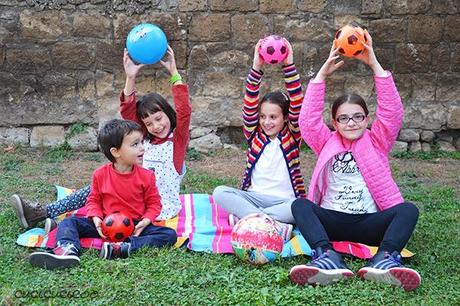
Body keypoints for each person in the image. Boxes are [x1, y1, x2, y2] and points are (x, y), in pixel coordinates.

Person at [288, 28, 421, 291]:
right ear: (335, 122)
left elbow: (392, 112)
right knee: (300, 206)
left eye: (358, 116)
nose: (351, 122)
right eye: (344, 118)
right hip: (332, 220)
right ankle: (327, 256)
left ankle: (384, 259)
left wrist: (374, 63)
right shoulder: (326, 141)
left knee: (409, 210)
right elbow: (307, 121)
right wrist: (322, 75)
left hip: (369, 223)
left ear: (367, 119)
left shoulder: (377, 140)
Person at [10, 45, 191, 230]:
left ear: (168, 114)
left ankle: (56, 223)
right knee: (98, 189)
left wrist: (174, 71)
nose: (156, 126)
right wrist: (130, 77)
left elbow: (184, 111)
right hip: (135, 195)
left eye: (159, 119)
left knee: (106, 198)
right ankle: (42, 214)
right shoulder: (145, 139)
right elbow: (128, 110)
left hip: (154, 208)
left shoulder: (177, 141)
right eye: (149, 123)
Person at [29, 119, 177, 269]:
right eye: (135, 144)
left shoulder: (147, 176)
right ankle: (67, 250)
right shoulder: (100, 175)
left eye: (141, 142)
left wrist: (145, 221)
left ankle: (124, 248)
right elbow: (93, 200)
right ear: (116, 152)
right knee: (69, 222)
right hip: (106, 226)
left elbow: (154, 204)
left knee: (169, 235)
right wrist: (96, 219)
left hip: (135, 227)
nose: (142, 149)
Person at [212, 38, 306, 241]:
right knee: (220, 192)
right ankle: (272, 224)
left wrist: (288, 65)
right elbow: (249, 101)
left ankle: (248, 219)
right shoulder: (254, 135)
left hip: (284, 202)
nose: (267, 122)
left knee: (302, 208)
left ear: (285, 118)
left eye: (273, 117)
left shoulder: (292, 136)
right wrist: (256, 66)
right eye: (263, 117)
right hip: (254, 198)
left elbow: (298, 102)